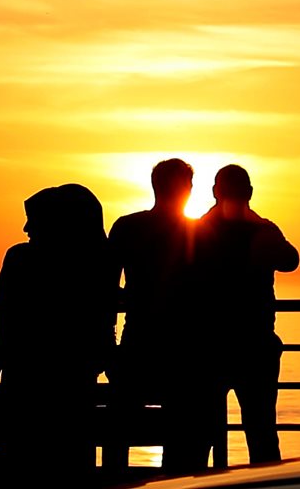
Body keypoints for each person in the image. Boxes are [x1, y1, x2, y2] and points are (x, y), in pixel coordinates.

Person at [0, 183, 116, 483]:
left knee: (22, 467)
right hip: (75, 388)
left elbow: (2, 327)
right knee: (72, 467)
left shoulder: (19, 260)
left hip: (25, 385)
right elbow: (104, 332)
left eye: (35, 219)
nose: (26, 227)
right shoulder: (95, 268)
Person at [185, 165, 299, 467]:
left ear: (215, 193)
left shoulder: (198, 230)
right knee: (262, 434)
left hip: (209, 347)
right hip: (255, 345)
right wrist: (259, 222)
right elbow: (291, 260)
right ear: (249, 193)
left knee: (199, 437)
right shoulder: (262, 231)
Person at [105, 158, 196, 471]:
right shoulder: (197, 232)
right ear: (187, 189)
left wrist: (108, 348)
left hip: (136, 344)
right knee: (181, 439)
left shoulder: (127, 227)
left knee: (118, 432)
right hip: (183, 350)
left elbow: (105, 289)